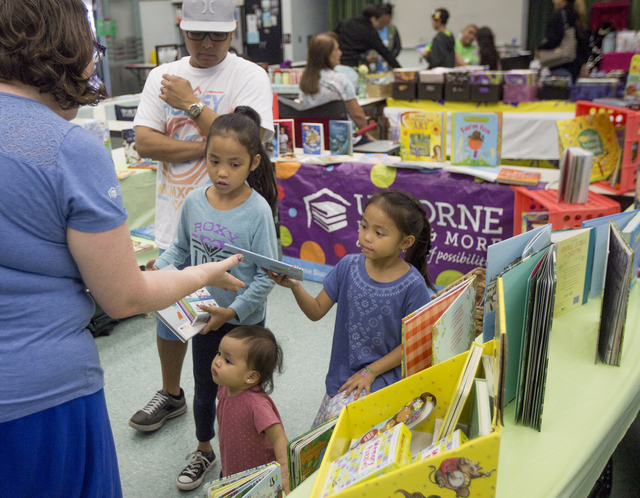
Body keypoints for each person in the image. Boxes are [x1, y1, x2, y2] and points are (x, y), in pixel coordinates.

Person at [0, 1, 246, 496]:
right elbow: (125, 297)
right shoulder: (66, 147)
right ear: (70, 47)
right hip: (37, 392)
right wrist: (205, 273)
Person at [129, 0, 274, 439]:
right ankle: (171, 394)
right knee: (170, 318)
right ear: (181, 29)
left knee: (231, 334)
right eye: (196, 35)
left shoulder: (249, 75)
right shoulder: (161, 76)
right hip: (180, 215)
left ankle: (240, 413)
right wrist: (211, 152)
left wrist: (192, 108)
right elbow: (144, 143)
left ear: (234, 32)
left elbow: (251, 143)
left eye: (217, 35)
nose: (206, 44)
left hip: (233, 221)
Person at [149, 106, 278, 490]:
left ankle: (247, 453)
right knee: (206, 388)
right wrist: (160, 272)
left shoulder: (257, 212)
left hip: (243, 325)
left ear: (253, 163)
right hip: (203, 317)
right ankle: (204, 449)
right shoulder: (193, 202)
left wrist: (234, 311)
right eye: (214, 161)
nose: (222, 172)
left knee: (242, 397)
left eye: (234, 164)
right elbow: (179, 250)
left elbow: (266, 277)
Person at [268, 190, 436, 427]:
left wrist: (370, 372)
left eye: (379, 233)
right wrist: (294, 285)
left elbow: (412, 344)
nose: (366, 237)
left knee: (338, 426)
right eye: (364, 226)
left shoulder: (413, 285)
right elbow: (316, 311)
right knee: (318, 440)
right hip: (343, 374)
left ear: (405, 242)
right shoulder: (347, 266)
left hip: (383, 376)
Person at [213, 325, 289, 493]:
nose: (217, 361)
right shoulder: (225, 387)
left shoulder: (257, 405)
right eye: (219, 353)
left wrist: (284, 472)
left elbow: (279, 438)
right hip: (233, 465)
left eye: (227, 360)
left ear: (251, 377)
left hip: (259, 476)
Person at [299, 32, 376, 143]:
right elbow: (357, 115)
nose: (340, 53)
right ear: (327, 55)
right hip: (342, 141)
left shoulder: (305, 80)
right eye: (336, 49)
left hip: (316, 140)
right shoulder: (340, 80)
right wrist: (367, 135)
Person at [335, 4, 401, 69]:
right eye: (379, 21)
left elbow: (332, 36)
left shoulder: (345, 23)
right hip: (352, 64)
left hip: (338, 62)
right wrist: (400, 70)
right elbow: (385, 53)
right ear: (373, 19)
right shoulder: (370, 32)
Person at [537, 0, 589, 83]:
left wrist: (540, 47)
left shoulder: (560, 15)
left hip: (561, 65)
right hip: (576, 68)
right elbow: (584, 43)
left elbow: (554, 39)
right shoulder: (577, 15)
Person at [366, 3, 402, 72]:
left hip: (388, 67)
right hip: (373, 67)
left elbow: (397, 47)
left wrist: (390, 56)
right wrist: (367, 57)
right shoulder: (371, 28)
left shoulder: (392, 29)